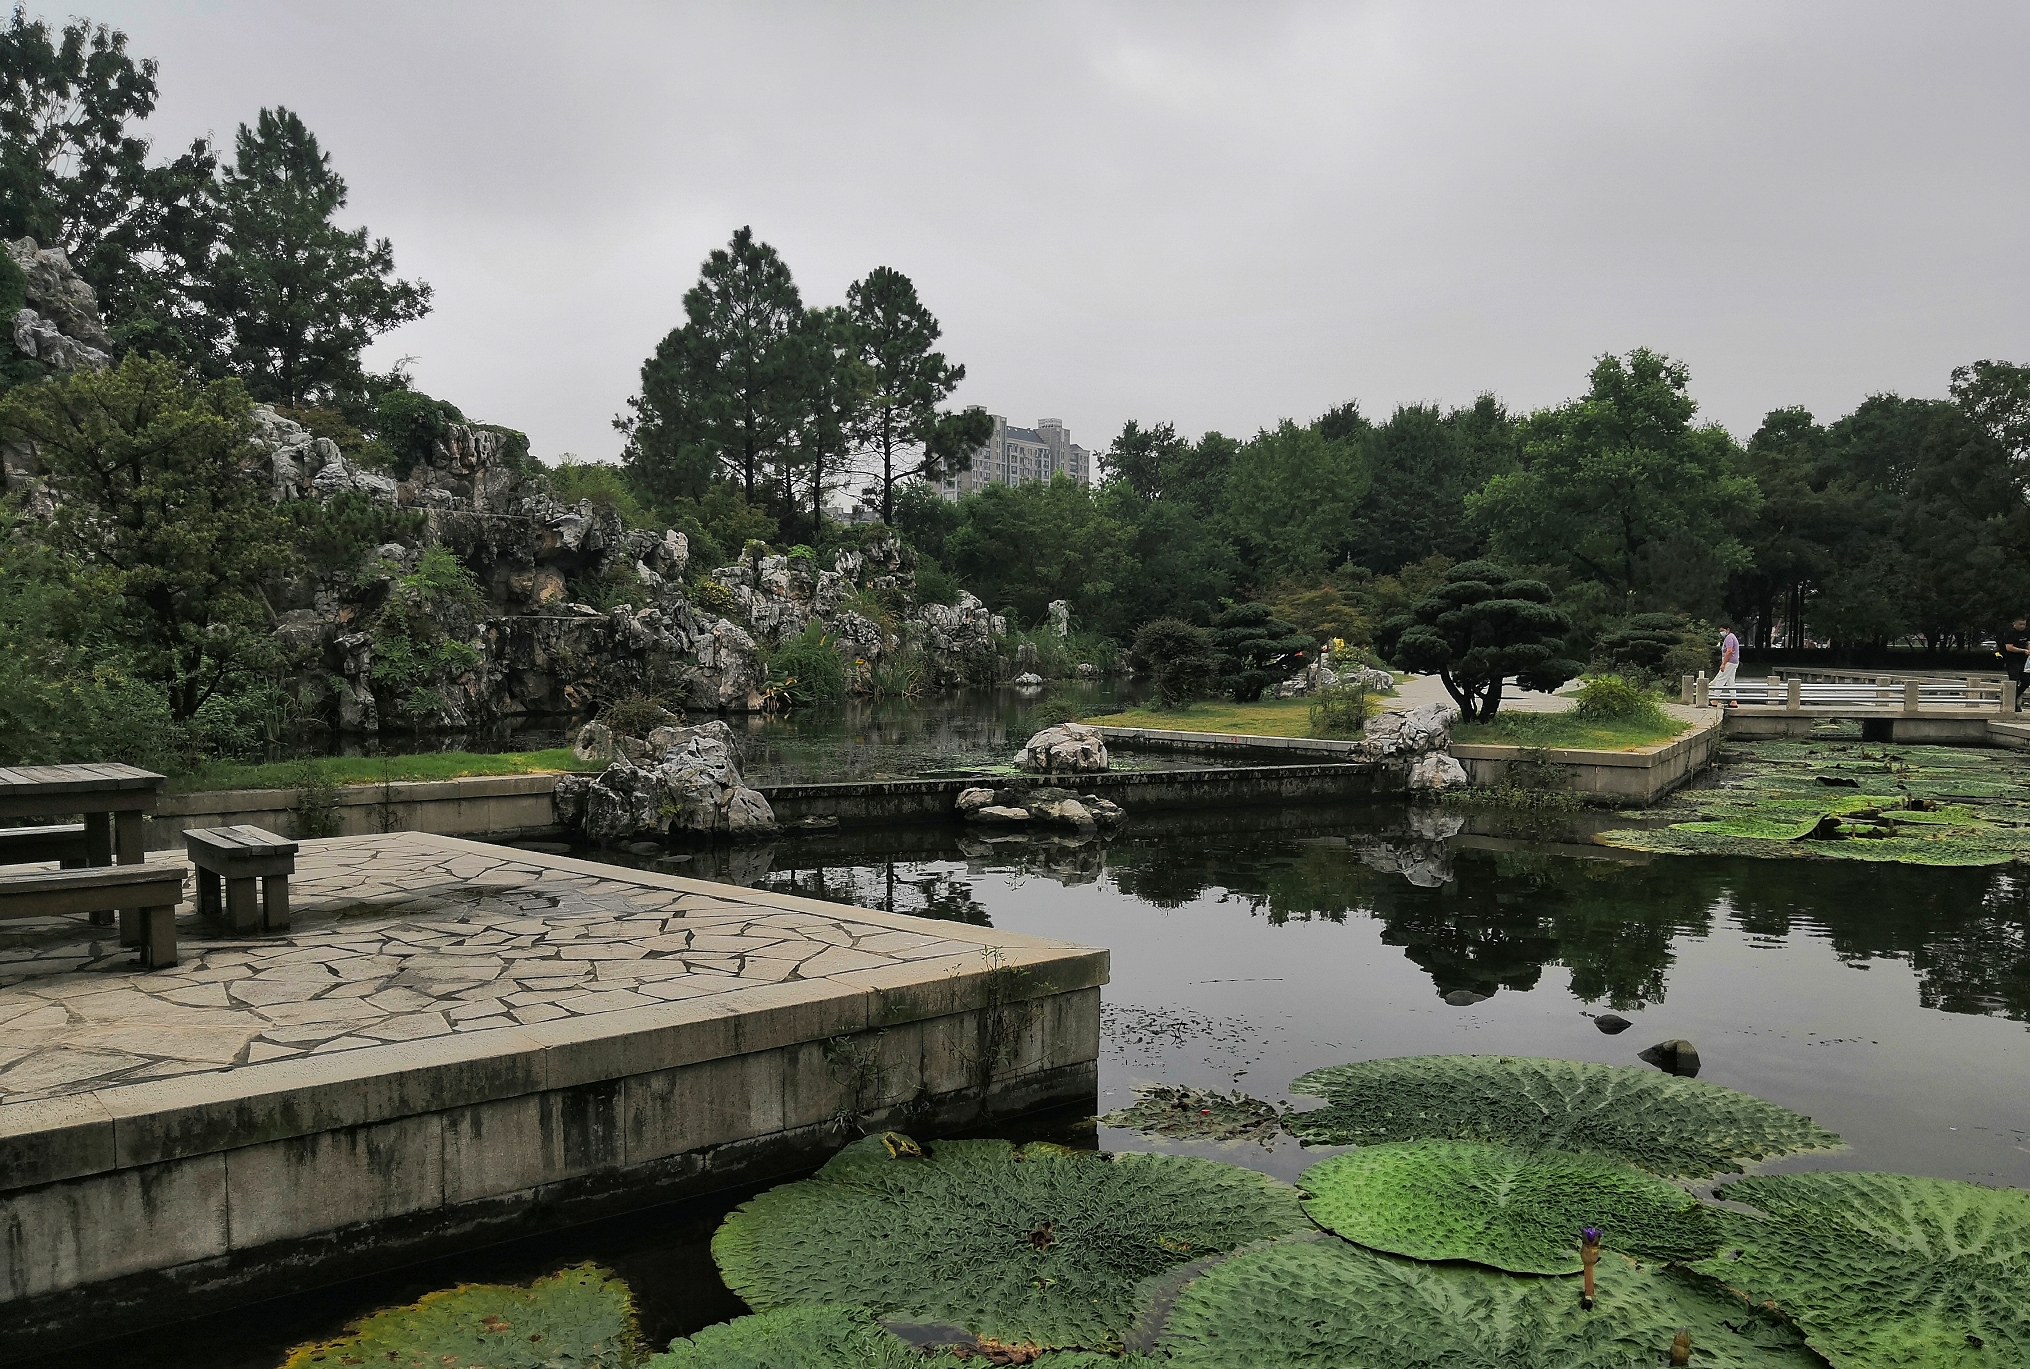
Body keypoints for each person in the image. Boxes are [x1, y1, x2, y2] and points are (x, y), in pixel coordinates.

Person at [2004, 615, 2030, 709]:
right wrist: (2023, 651)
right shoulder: (2010, 633)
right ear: (2014, 624)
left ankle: (2013, 698)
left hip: (2023, 662)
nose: (2022, 626)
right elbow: (2009, 647)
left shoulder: (2026, 632)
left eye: (2024, 624)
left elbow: (2028, 642)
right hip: (2012, 661)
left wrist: (2028, 650)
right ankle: (2011, 703)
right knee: (2013, 681)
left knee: (2026, 681)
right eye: (2020, 624)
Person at [1713, 623, 1740, 694]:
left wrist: (1723, 663)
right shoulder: (1732, 637)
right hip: (1734, 662)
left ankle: (1715, 698)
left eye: (1722, 630)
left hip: (1729, 662)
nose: (1721, 633)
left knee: (1721, 679)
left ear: (1728, 630)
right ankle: (1733, 700)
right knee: (1730, 681)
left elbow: (1729, 651)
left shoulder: (1729, 638)